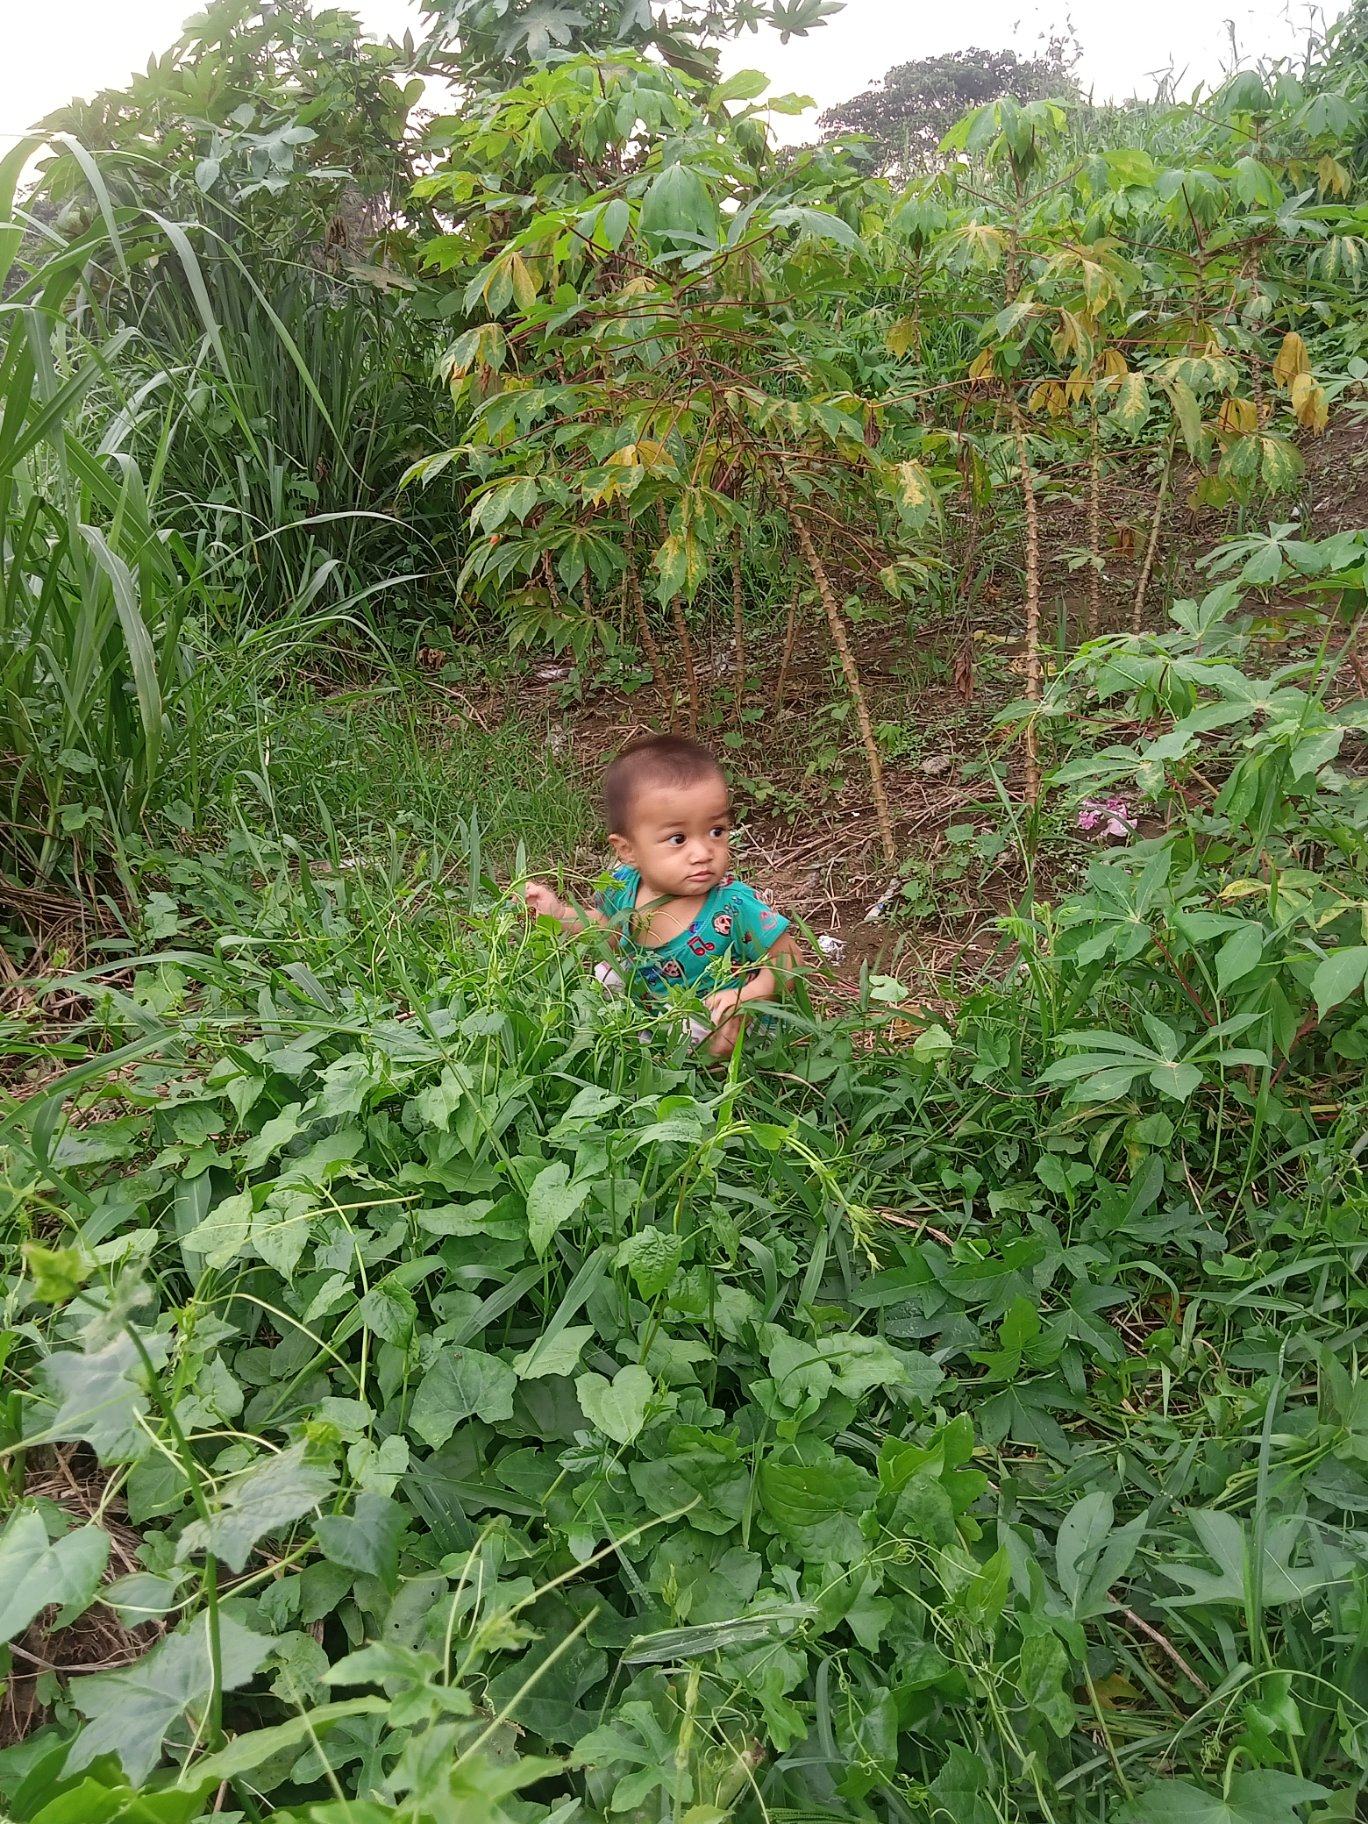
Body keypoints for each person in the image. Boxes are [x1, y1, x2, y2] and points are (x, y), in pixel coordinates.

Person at [524, 735, 801, 1060]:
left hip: (720, 1016)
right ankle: (635, 1049)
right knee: (604, 979)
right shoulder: (625, 886)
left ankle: (686, 1065)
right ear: (627, 850)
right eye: (678, 839)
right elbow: (608, 931)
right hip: (656, 1007)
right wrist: (559, 916)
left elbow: (790, 960)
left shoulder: (734, 905)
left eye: (716, 831)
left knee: (702, 1032)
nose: (703, 853)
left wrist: (749, 996)